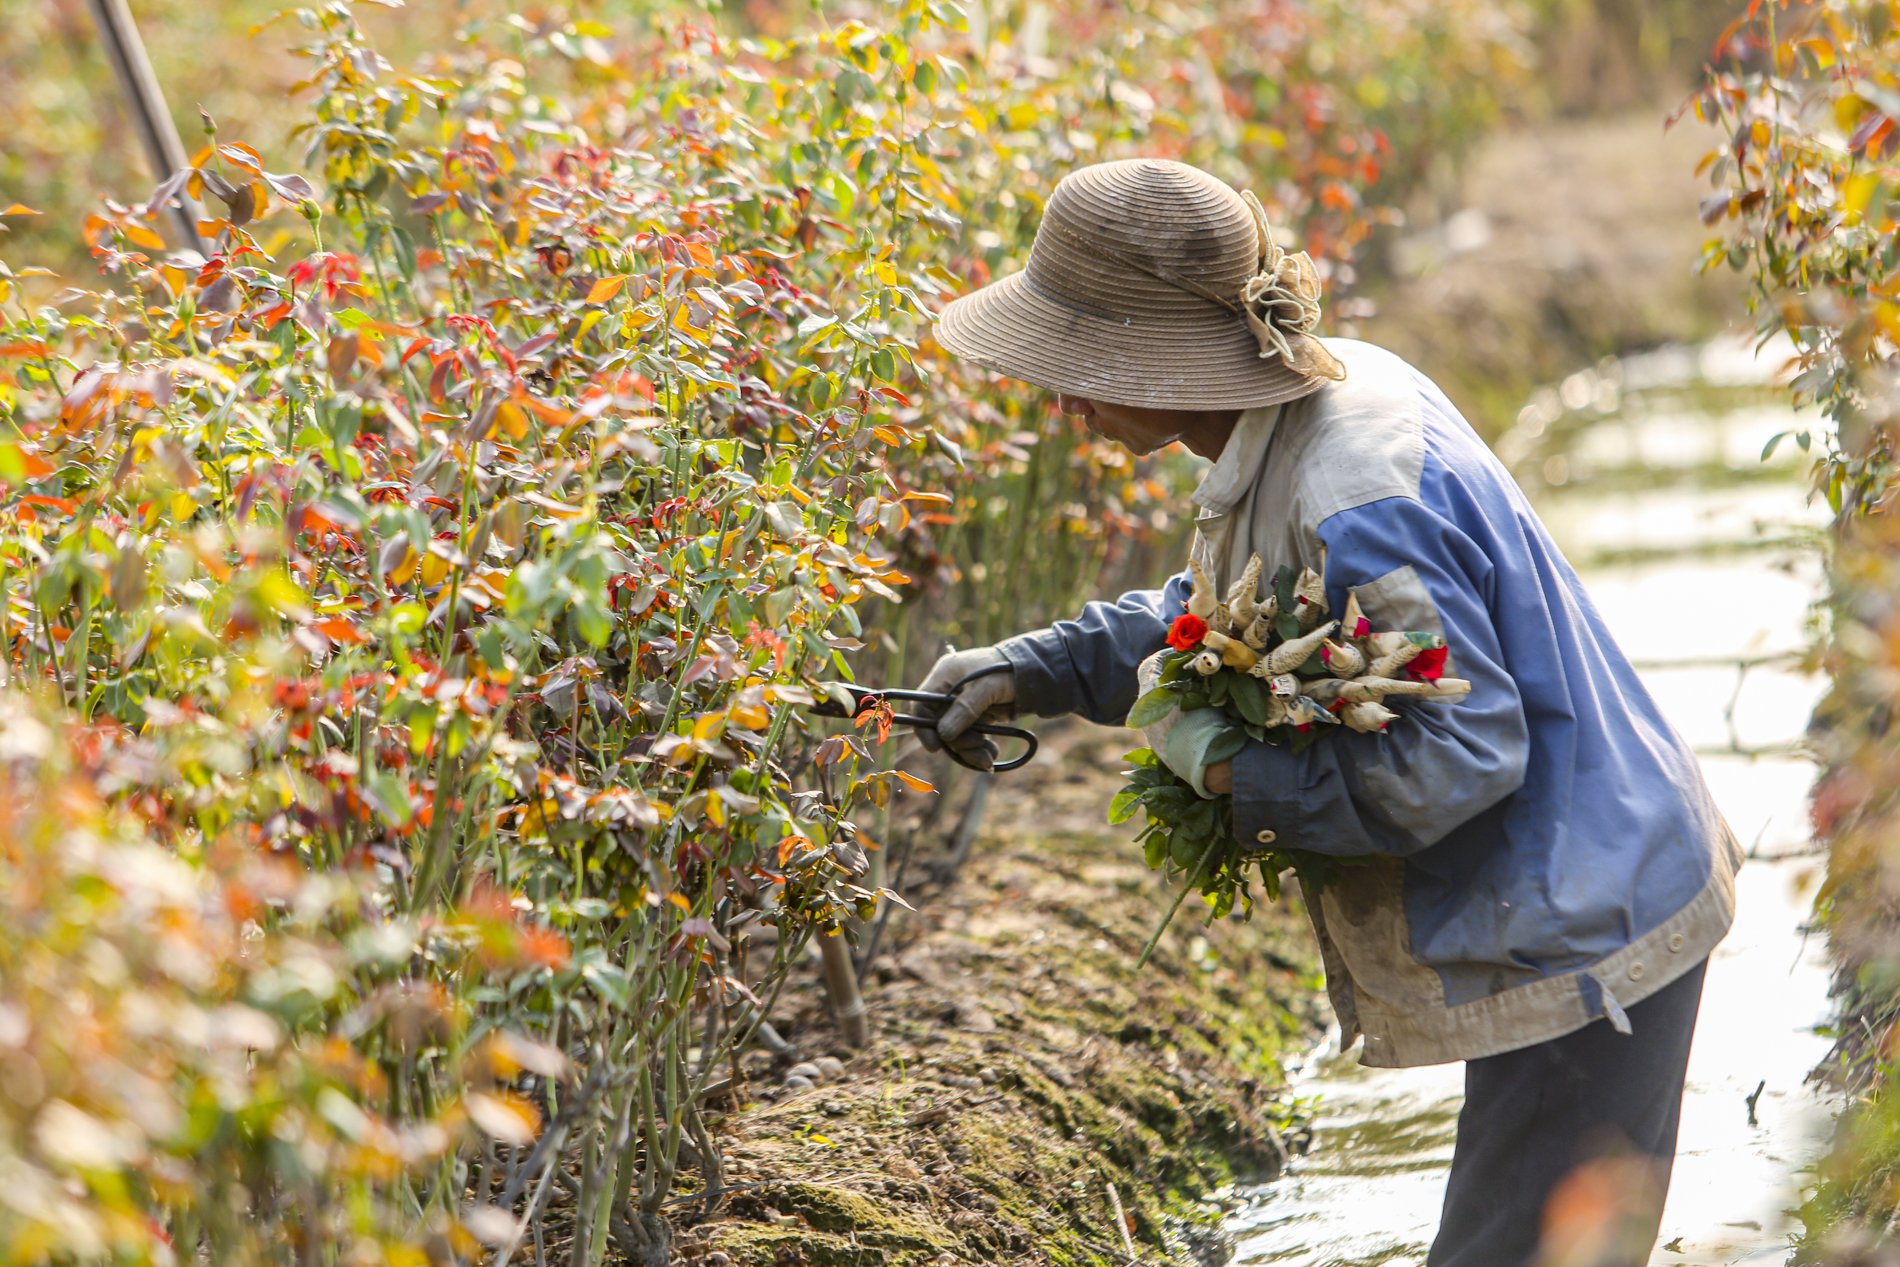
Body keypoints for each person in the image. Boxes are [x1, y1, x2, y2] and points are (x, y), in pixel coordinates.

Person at [913, 158, 1740, 1267]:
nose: (1061, 399)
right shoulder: (1322, 404)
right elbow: (1239, 613)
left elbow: (1458, 751)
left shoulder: (1354, 487)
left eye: (1082, 365)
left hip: (1587, 924)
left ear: (1171, 355)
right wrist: (1041, 666)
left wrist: (1231, 776)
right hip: (1584, 874)